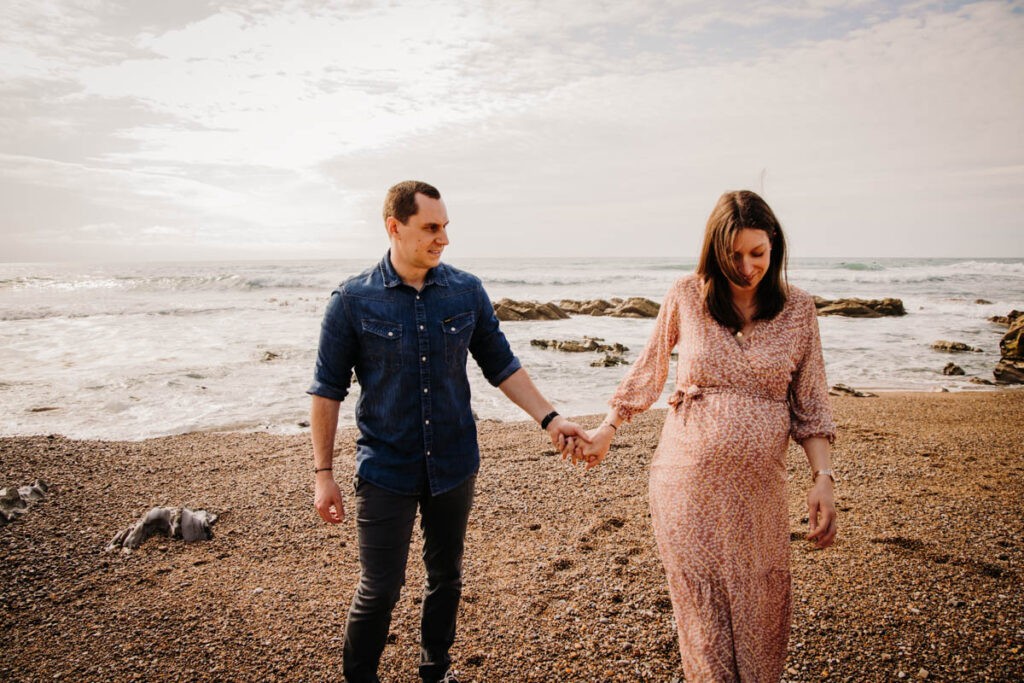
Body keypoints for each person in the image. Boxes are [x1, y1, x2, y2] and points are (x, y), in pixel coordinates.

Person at [308, 180, 589, 683]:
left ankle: (436, 670)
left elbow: (501, 364)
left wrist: (550, 419)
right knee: (379, 588)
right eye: (431, 227)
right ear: (394, 227)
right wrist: (323, 474)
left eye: (445, 227)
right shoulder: (351, 301)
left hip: (454, 462)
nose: (443, 239)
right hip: (385, 468)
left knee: (446, 577)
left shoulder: (466, 291)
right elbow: (327, 390)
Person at [570, 190, 837, 682]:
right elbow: (649, 369)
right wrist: (608, 427)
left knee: (761, 609)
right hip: (686, 483)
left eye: (757, 253)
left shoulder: (799, 309)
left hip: (758, 492)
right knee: (703, 618)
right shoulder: (686, 295)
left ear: (774, 245)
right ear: (714, 250)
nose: (746, 267)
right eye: (733, 255)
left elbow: (811, 403)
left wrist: (823, 478)